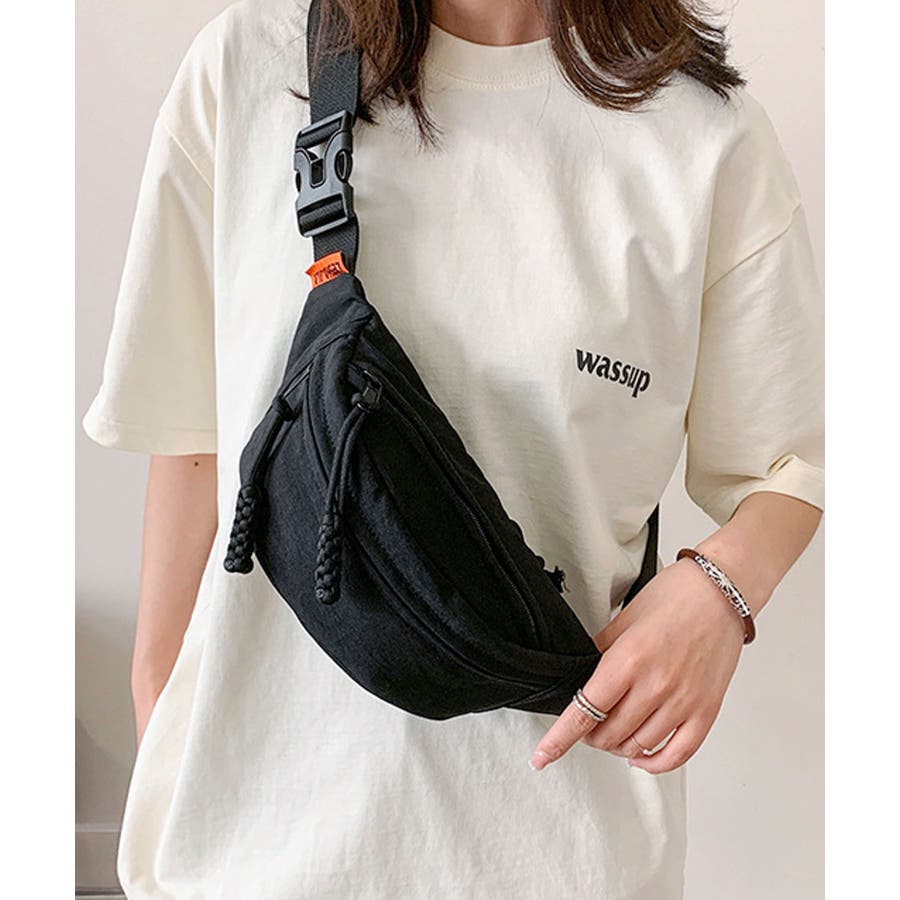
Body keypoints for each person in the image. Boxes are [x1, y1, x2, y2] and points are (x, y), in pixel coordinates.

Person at [82, 0, 825, 896]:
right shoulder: (249, 68)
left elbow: (793, 462)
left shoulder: (705, 137)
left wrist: (721, 593)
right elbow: (191, 438)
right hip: (253, 853)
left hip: (565, 853)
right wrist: (158, 720)